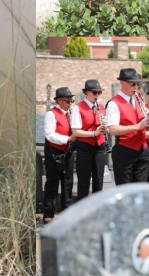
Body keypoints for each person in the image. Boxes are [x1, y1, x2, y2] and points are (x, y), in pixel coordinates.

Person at [107, 68, 149, 184]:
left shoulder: (138, 99)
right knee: (125, 190)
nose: (135, 87)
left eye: (137, 84)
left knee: (140, 189)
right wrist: (138, 126)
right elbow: (112, 130)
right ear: (122, 83)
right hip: (124, 151)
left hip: (142, 150)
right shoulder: (113, 103)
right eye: (132, 84)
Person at [70, 79, 108, 201]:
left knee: (99, 179)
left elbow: (106, 129)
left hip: (99, 146)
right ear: (87, 92)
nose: (97, 95)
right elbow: (76, 132)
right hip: (85, 147)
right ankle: (82, 210)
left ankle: (97, 208)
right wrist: (93, 133)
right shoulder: (78, 108)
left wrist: (105, 127)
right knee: (84, 180)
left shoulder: (101, 107)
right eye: (94, 92)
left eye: (99, 93)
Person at [42, 87, 77, 223]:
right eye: (67, 101)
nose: (70, 103)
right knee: (52, 182)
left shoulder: (71, 114)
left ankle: (67, 212)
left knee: (68, 182)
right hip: (54, 152)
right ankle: (48, 213)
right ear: (59, 101)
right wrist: (66, 139)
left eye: (71, 101)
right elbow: (50, 135)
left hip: (68, 152)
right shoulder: (51, 114)